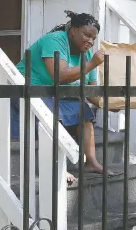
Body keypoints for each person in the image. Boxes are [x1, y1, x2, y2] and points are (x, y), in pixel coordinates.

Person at [11, 10, 117, 183]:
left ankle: (90, 162)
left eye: (93, 38)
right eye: (86, 35)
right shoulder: (55, 40)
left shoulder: (87, 53)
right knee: (53, 118)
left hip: (55, 93)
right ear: (73, 30)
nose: (90, 41)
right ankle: (56, 167)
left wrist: (109, 104)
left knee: (85, 114)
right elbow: (59, 76)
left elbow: (91, 92)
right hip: (28, 88)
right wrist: (91, 64)